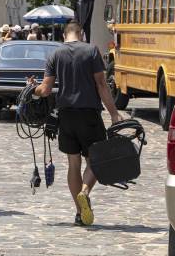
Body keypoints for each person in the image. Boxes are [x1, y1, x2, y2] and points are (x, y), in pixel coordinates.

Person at [32, 21, 121, 226]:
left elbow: (45, 90)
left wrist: (32, 88)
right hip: (89, 114)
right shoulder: (91, 51)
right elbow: (101, 84)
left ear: (65, 36)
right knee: (95, 161)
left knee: (74, 163)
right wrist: (114, 113)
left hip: (66, 115)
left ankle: (80, 213)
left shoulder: (55, 54)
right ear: (80, 34)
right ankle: (85, 192)